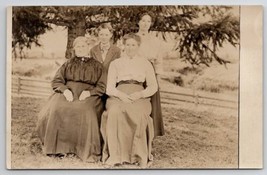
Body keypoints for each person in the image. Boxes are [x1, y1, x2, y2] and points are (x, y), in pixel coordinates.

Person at [36, 36, 106, 162]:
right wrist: (65, 90)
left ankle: (83, 149)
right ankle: (57, 147)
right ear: (74, 49)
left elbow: (102, 86)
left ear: (88, 47)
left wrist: (90, 93)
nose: (80, 48)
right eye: (78, 46)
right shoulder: (68, 64)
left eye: (83, 46)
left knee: (85, 110)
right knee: (57, 108)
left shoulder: (98, 66)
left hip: (88, 95)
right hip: (68, 92)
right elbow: (57, 81)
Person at [100, 33, 158, 168]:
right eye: (128, 45)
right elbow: (109, 88)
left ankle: (137, 155)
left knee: (138, 114)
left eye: (133, 45)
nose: (130, 48)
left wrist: (140, 94)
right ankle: (115, 156)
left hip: (139, 94)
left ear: (138, 46)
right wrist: (120, 95)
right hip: (119, 93)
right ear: (123, 46)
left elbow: (153, 86)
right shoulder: (116, 63)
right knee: (114, 112)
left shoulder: (145, 63)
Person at [136, 12, 165, 136]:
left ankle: (150, 134)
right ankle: (136, 131)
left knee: (151, 103)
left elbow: (158, 61)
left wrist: (157, 80)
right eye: (143, 21)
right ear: (138, 22)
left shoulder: (155, 41)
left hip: (150, 72)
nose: (145, 24)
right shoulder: (132, 38)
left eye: (148, 21)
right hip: (135, 70)